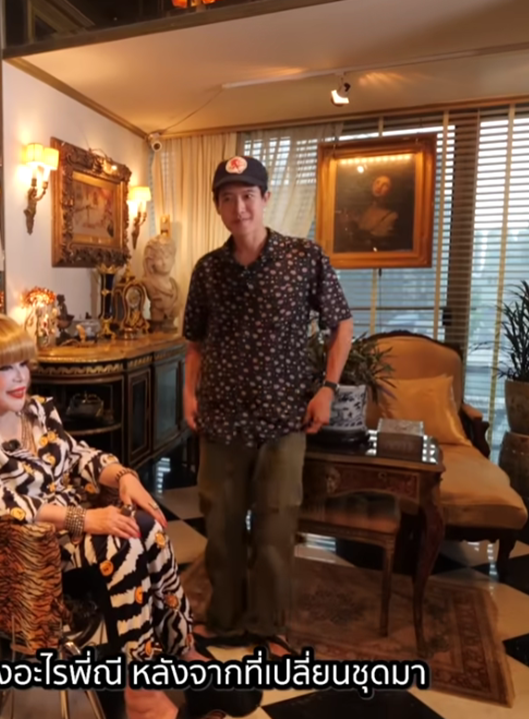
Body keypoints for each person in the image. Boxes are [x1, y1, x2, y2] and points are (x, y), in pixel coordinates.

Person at [0, 312, 229, 719]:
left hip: (73, 537)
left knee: (149, 525)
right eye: (5, 367)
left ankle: (183, 653)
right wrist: (83, 519)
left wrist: (124, 477)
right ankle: (141, 694)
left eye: (22, 363)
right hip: (27, 551)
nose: (20, 376)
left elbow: (79, 456)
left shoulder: (37, 412)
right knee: (122, 544)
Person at [182, 156, 354, 658]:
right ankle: (225, 620)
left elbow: (341, 323)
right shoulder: (208, 270)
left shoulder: (304, 257)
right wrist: (189, 395)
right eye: (228, 198)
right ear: (218, 207)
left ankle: (270, 626)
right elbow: (195, 343)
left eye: (248, 196)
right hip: (221, 418)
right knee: (221, 526)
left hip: (283, 418)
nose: (239, 207)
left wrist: (328, 388)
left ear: (265, 199)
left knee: (276, 526)